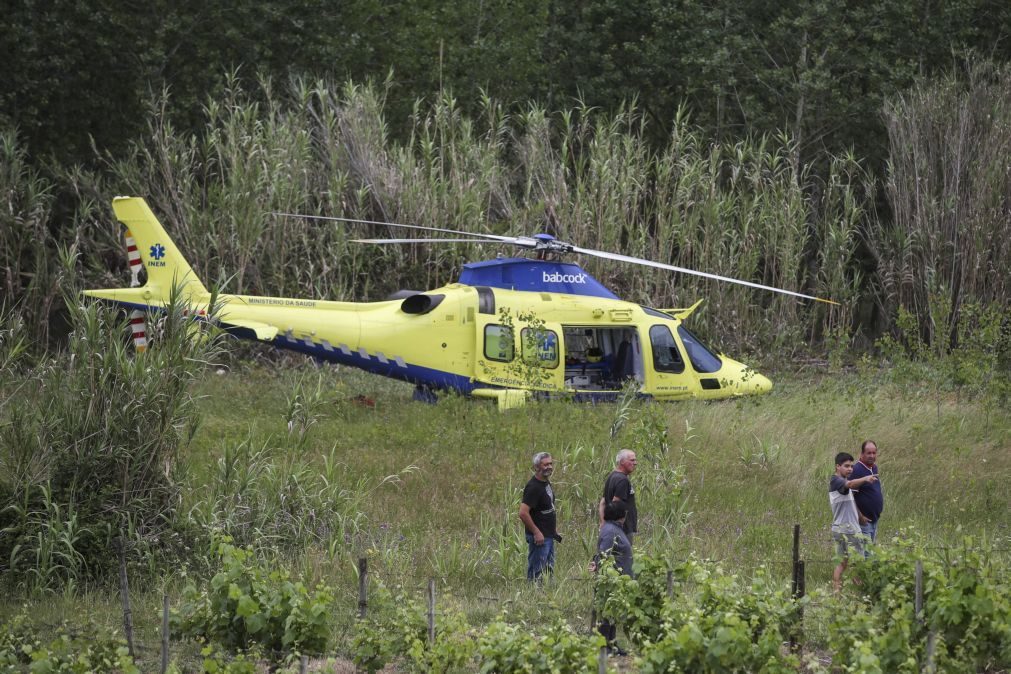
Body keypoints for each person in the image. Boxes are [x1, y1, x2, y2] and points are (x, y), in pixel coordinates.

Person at [829, 452, 878, 591]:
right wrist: (866, 478)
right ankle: (861, 597)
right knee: (859, 564)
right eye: (846, 466)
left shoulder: (841, 482)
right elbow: (850, 484)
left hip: (838, 528)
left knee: (842, 563)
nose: (850, 469)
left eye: (851, 466)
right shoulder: (838, 481)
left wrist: (860, 516)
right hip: (850, 529)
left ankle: (836, 595)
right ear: (837, 466)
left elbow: (850, 502)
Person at [592, 501, 633, 656]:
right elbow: (604, 553)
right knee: (607, 613)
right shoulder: (610, 531)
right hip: (611, 578)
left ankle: (612, 644)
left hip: (617, 578)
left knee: (612, 613)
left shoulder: (613, 528)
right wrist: (598, 565)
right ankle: (604, 647)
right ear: (620, 515)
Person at [519, 452, 560, 581]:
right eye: (545, 464)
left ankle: (546, 596)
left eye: (551, 463)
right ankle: (533, 595)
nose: (549, 467)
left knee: (548, 570)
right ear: (537, 467)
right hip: (540, 538)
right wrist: (536, 532)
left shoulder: (545, 482)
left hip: (548, 534)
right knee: (537, 571)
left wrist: (552, 530)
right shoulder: (533, 487)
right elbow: (523, 513)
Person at [599, 449, 638, 545]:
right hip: (622, 530)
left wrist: (604, 523)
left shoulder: (612, 476)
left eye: (635, 460)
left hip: (612, 528)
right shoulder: (622, 480)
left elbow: (603, 502)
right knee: (624, 558)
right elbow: (616, 504)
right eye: (632, 460)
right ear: (622, 462)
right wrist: (617, 528)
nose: (635, 463)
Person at [850, 440, 883, 548]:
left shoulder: (874, 468)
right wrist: (860, 516)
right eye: (869, 453)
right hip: (863, 523)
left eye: (874, 453)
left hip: (874, 520)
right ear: (862, 454)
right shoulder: (856, 470)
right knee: (866, 557)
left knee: (870, 555)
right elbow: (850, 497)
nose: (872, 456)